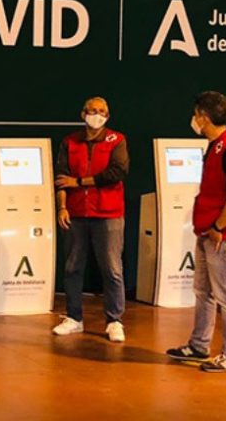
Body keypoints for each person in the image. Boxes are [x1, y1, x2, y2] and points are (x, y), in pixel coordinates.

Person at [167, 91, 226, 373]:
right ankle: (199, 344)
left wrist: (219, 227)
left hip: (225, 236)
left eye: (196, 116)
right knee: (203, 290)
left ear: (203, 117)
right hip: (207, 232)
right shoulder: (215, 146)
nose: (194, 121)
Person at [52, 96, 130, 342]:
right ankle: (74, 317)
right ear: (82, 113)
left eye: (102, 111)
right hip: (76, 214)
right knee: (73, 266)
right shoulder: (70, 142)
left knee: (112, 269)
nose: (97, 114)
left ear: (108, 115)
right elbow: (61, 177)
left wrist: (80, 182)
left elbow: (118, 172)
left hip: (108, 214)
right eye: (92, 110)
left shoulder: (116, 140)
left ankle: (114, 321)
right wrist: (62, 207)